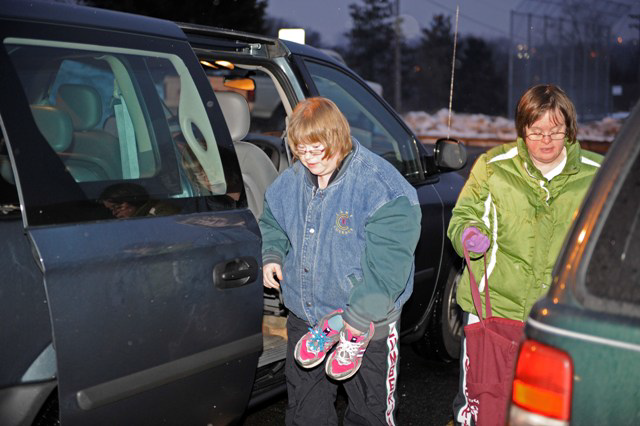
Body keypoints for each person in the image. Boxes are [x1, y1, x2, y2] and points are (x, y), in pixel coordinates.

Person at [259, 97, 421, 425]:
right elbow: (272, 218)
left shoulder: (382, 188)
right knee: (305, 412)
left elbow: (388, 267)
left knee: (369, 413)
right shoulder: (293, 180)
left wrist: (359, 317)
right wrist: (272, 253)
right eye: (301, 151)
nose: (308, 159)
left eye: (317, 150)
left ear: (337, 139)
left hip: (366, 323)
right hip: (308, 316)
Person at [447, 84, 603, 425]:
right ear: (522, 129)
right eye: (536, 132)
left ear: (570, 129)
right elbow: (464, 216)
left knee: (546, 409)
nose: (546, 140)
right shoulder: (493, 167)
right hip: (493, 310)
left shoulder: (596, 174)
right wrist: (468, 235)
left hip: (559, 316)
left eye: (555, 131)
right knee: (482, 403)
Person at [99, 183, 179, 218]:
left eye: (116, 207)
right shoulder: (135, 218)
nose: (114, 213)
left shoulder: (162, 213)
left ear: (131, 200)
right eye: (111, 209)